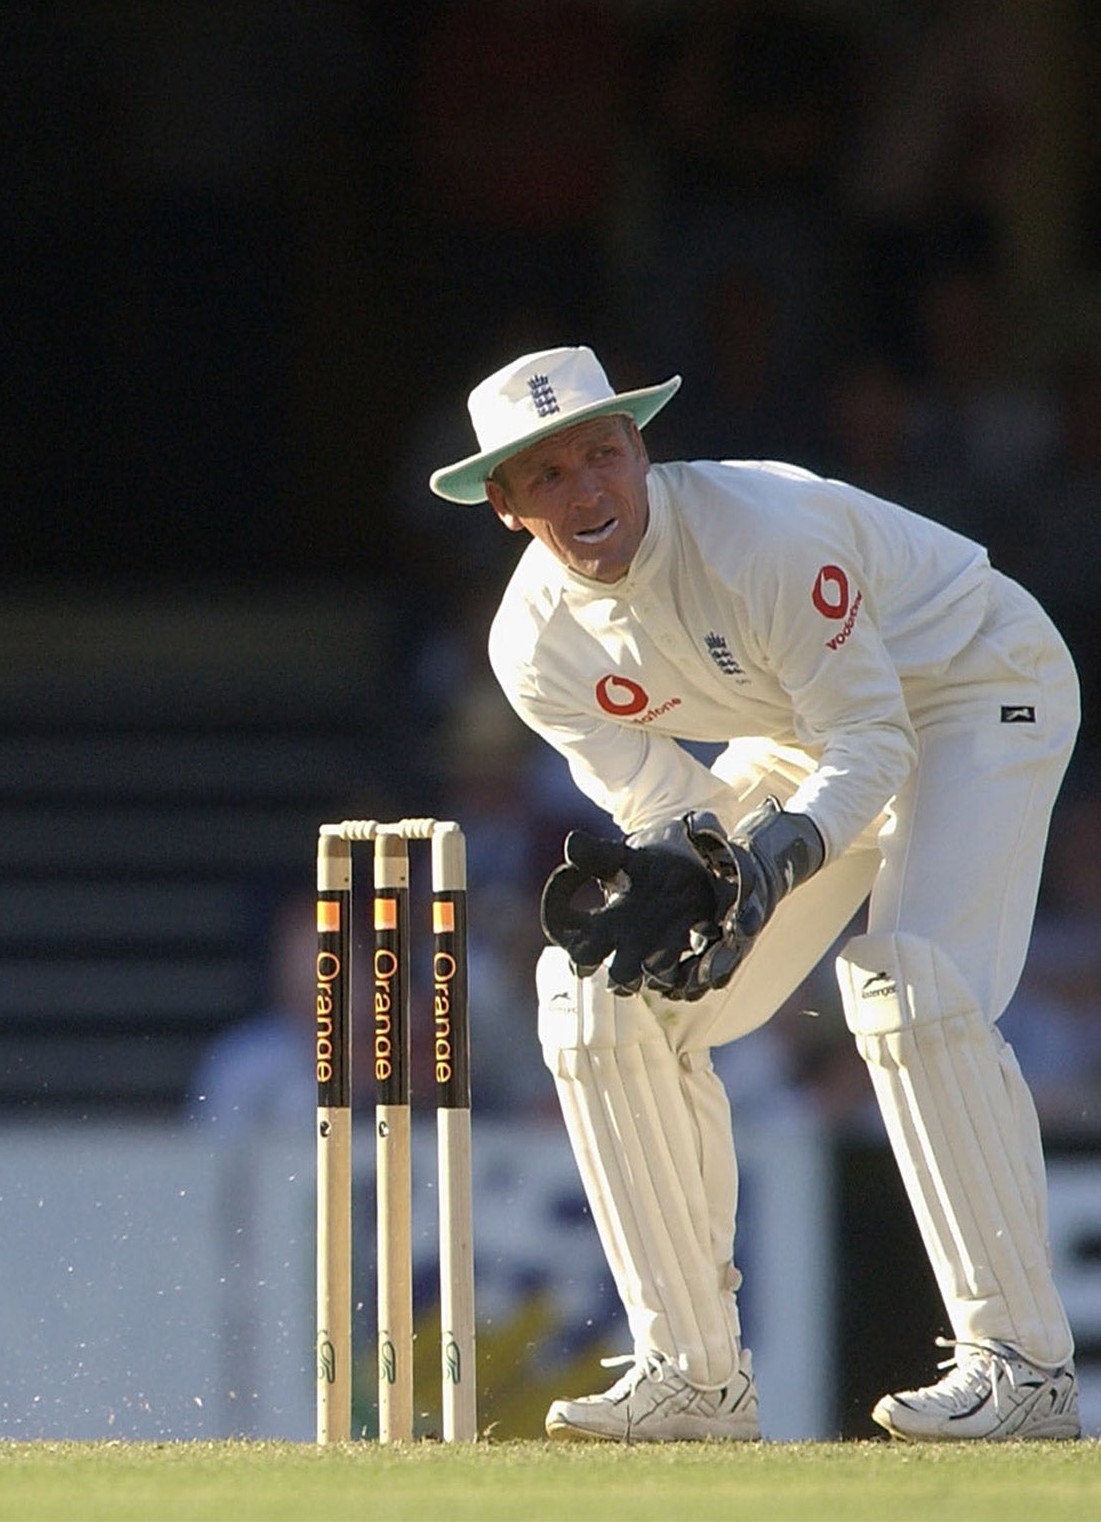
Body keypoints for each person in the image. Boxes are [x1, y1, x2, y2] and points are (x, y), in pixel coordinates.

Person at [428, 345, 1082, 1443]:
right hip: (801, 741)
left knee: (905, 988)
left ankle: (1019, 1368)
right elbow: (667, 809)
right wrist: (686, 878)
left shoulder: (760, 535)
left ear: (639, 447)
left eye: (602, 453)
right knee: (600, 994)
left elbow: (873, 738)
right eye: (548, 476)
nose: (588, 491)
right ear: (502, 505)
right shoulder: (529, 642)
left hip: (975, 684)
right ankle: (691, 1377)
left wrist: (780, 853)